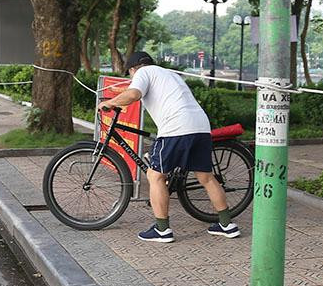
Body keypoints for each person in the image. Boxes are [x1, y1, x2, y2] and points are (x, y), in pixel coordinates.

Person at [98, 51, 240, 243]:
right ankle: (227, 225)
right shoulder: (169, 73)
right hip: (200, 125)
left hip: (177, 127)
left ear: (133, 69)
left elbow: (133, 94)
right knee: (206, 177)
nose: (132, 77)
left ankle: (162, 229)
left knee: (155, 175)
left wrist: (110, 102)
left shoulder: (143, 73)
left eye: (130, 74)